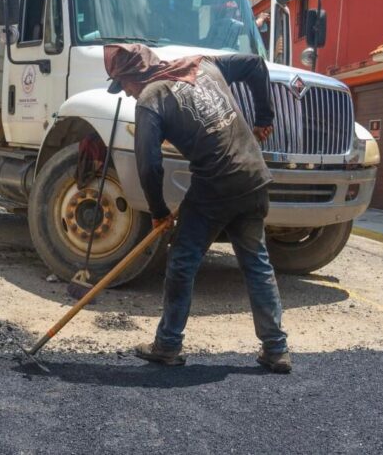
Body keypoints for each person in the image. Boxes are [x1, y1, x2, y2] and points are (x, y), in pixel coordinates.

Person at [104, 44, 291, 373]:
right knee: (256, 262)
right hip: (254, 178)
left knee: (182, 262)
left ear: (134, 77)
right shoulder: (202, 64)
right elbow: (254, 65)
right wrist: (264, 119)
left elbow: (149, 166)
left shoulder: (151, 99)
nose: (128, 94)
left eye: (125, 86)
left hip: (216, 186)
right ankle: (276, 349)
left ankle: (168, 345)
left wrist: (159, 211)